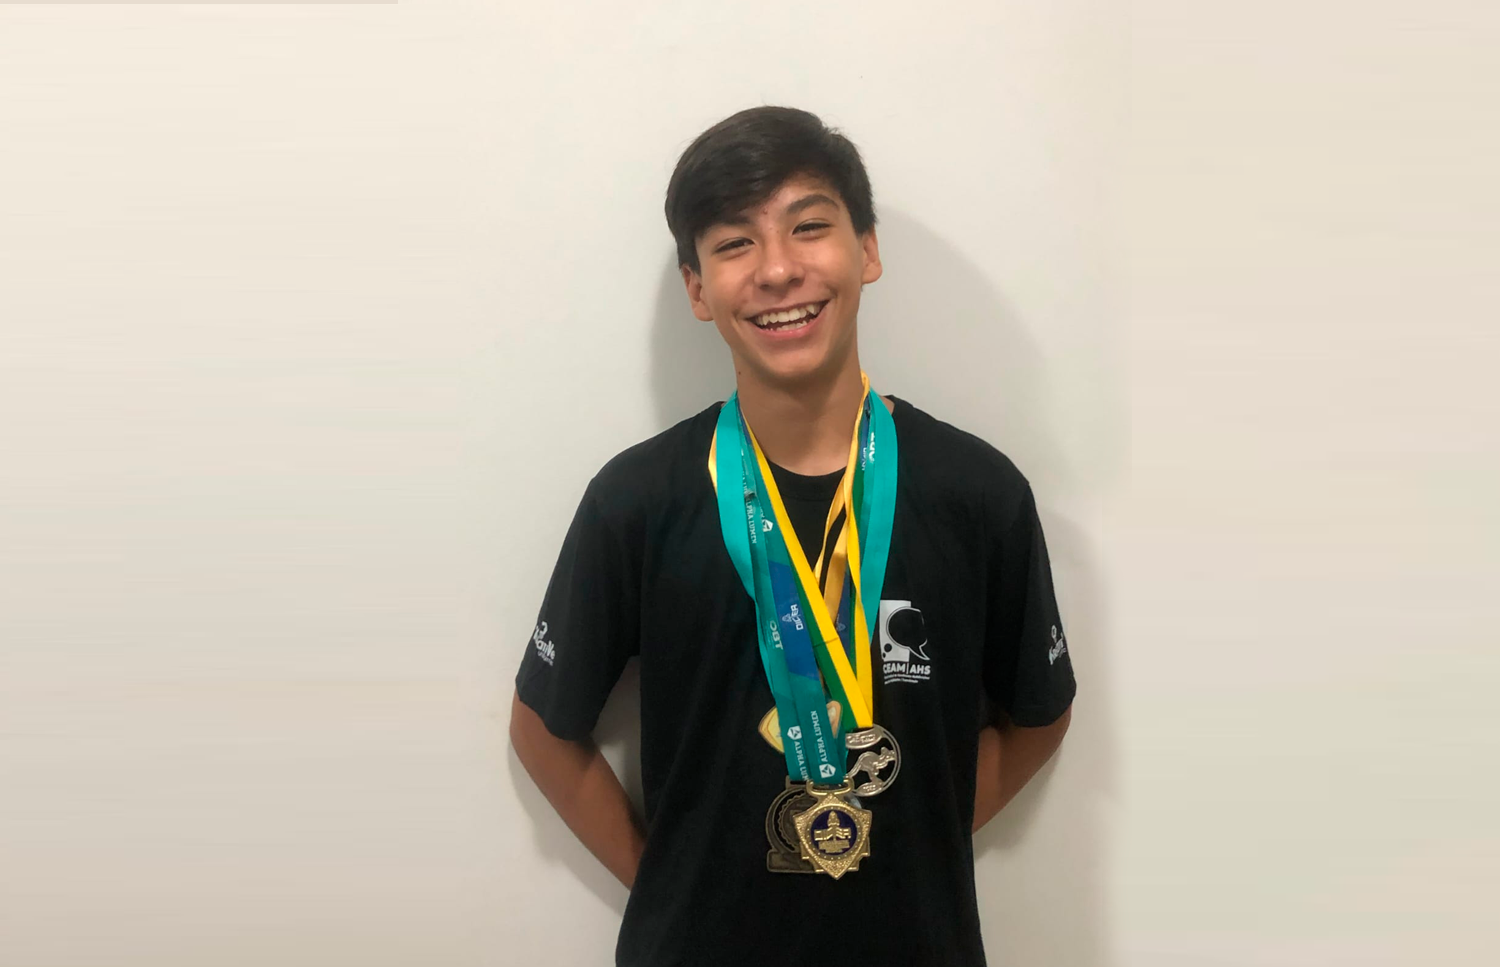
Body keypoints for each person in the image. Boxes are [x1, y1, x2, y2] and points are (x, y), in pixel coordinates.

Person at [510, 105, 1077, 967]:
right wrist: (669, 886)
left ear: (867, 249)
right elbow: (542, 728)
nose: (778, 269)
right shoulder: (638, 501)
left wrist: (914, 837)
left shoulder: (977, 494)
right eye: (734, 243)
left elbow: (1039, 711)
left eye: (809, 226)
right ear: (698, 289)